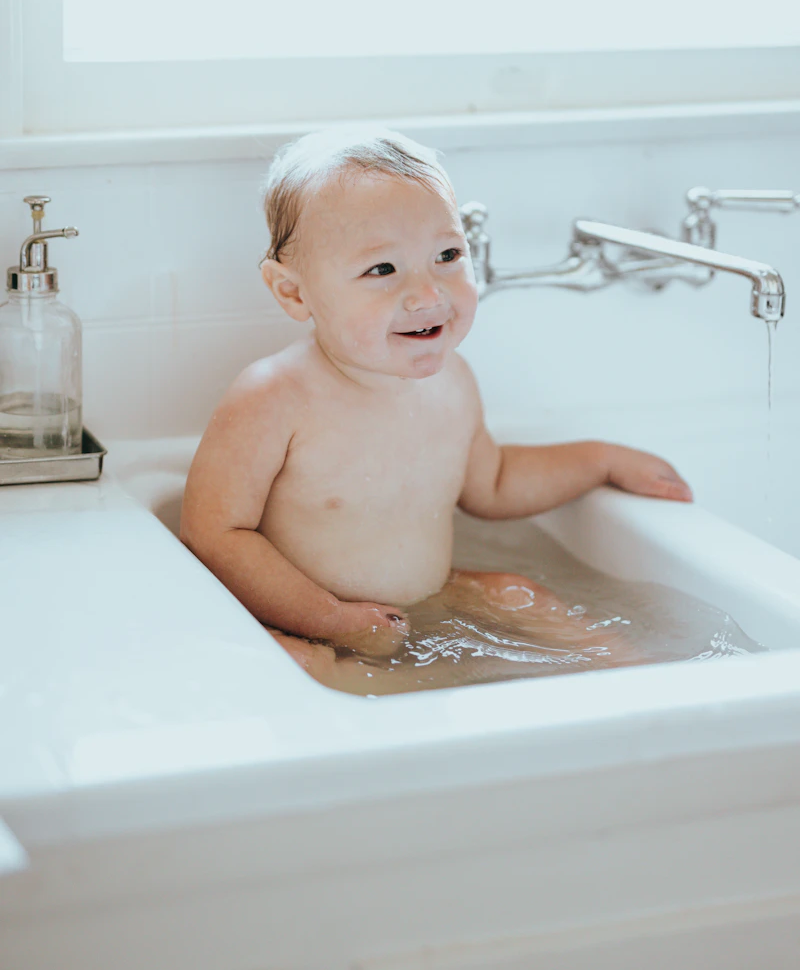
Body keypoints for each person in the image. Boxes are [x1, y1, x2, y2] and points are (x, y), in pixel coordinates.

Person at [180, 126, 693, 692]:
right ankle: (360, 683)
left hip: (425, 600)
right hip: (298, 619)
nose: (428, 294)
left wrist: (600, 461)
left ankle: (640, 678)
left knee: (517, 592)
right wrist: (329, 618)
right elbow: (213, 534)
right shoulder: (273, 398)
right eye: (383, 270)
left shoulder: (452, 382)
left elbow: (491, 484)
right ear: (294, 293)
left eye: (447, 255)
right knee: (293, 667)